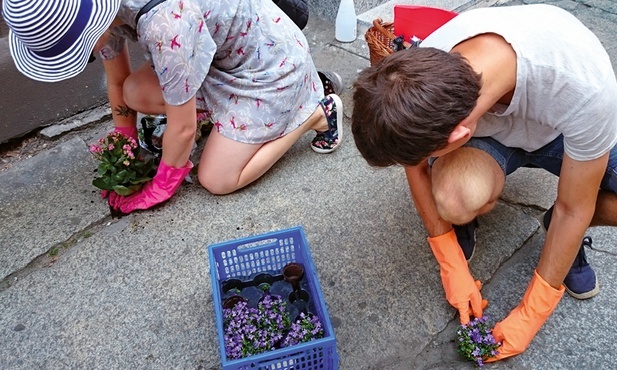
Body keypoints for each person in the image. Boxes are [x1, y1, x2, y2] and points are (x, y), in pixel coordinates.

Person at [351, 3, 617, 361]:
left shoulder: (585, 88)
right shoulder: (428, 62)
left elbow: (575, 206)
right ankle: (477, 218)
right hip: (491, 135)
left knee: (576, 208)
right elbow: (415, 166)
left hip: (564, 134)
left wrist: (531, 313)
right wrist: (449, 260)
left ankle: (558, 234)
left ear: (457, 134)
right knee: (455, 198)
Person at [3, 0, 343, 215]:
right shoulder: (98, 10)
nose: (88, 57)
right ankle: (232, 122)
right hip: (215, 60)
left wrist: (163, 183)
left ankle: (313, 113)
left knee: (217, 178)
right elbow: (119, 83)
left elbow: (182, 129)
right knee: (135, 91)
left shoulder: (164, 23)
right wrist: (126, 143)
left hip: (268, 68)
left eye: (82, 50)